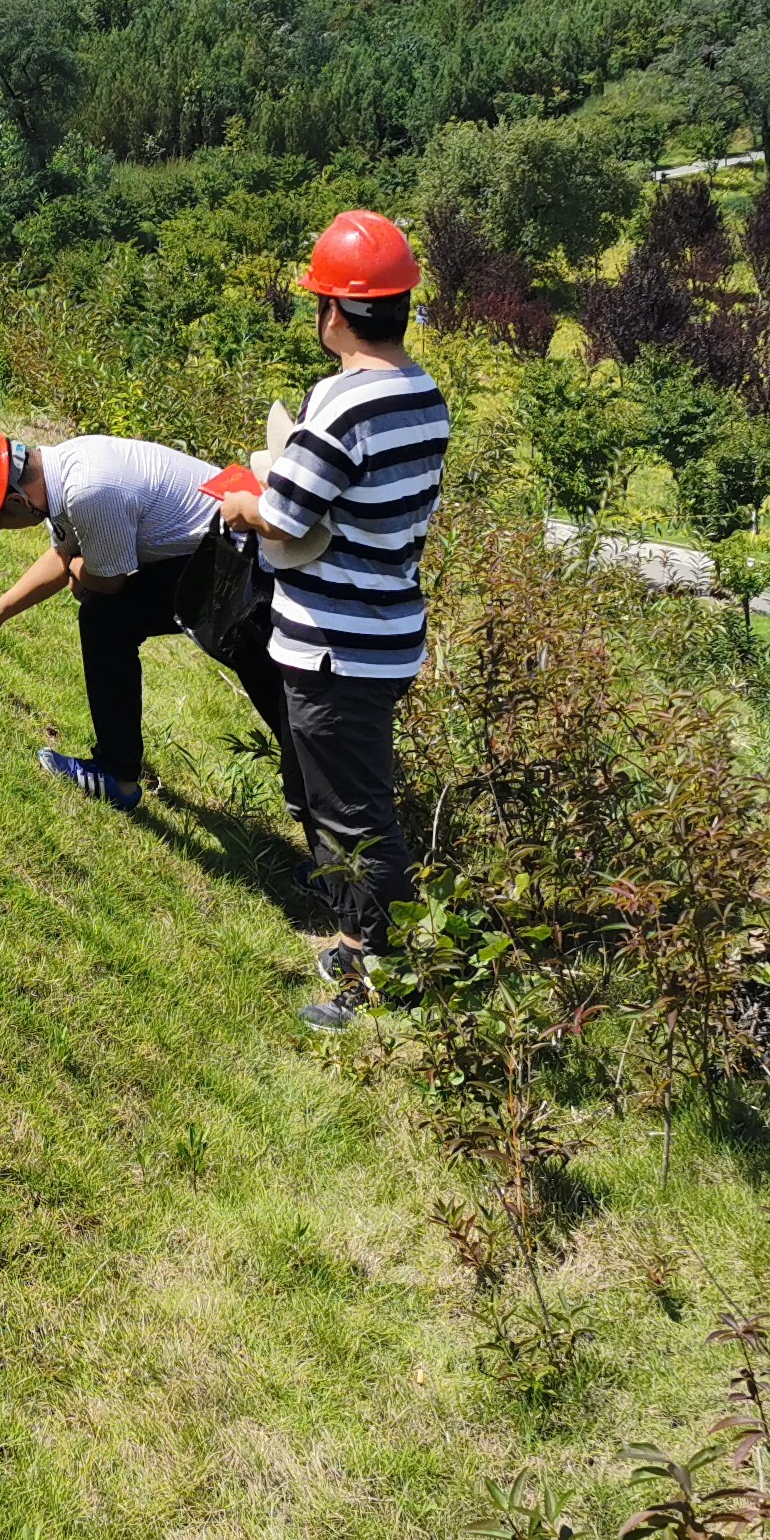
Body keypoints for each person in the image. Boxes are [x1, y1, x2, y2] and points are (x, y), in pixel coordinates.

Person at [203, 209, 450, 1028]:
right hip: (387, 633)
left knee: (352, 817)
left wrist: (244, 503)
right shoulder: (424, 395)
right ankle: (359, 942)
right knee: (352, 799)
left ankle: (382, 975)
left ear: (334, 311)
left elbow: (284, 516)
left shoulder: (343, 405)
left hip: (336, 646)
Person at [0, 427, 265, 815]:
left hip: (246, 560)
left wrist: (82, 571)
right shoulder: (63, 469)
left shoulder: (89, 491)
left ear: (18, 501)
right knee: (108, 617)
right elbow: (64, 555)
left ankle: (116, 776)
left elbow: (108, 582)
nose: (1, 533)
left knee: (106, 620)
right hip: (226, 544)